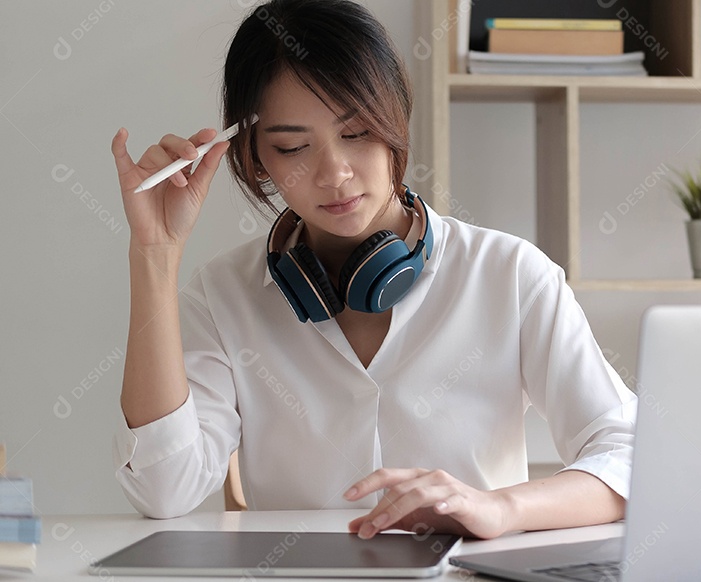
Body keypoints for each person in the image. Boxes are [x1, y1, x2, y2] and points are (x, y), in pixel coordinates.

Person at [109, 0, 635, 540]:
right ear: (254, 158)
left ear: (395, 120)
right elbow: (163, 491)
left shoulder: (511, 275)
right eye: (293, 147)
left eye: (356, 133)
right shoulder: (223, 297)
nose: (334, 173)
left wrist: (500, 508)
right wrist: (155, 252)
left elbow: (629, 453)